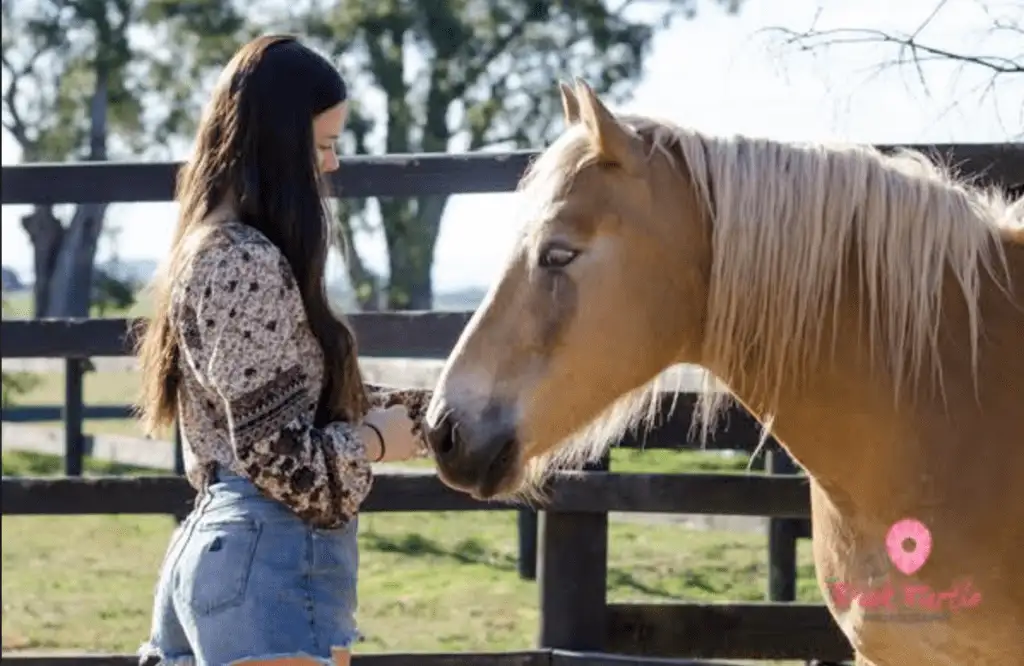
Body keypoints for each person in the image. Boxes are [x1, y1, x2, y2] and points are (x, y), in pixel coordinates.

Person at [134, 34, 431, 666]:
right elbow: (277, 457)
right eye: (322, 146)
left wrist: (442, 415)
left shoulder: (212, 252)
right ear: (275, 144)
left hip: (223, 550)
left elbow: (290, 405)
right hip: (266, 558)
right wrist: (374, 445)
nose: (332, 166)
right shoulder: (243, 261)